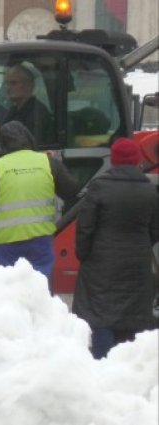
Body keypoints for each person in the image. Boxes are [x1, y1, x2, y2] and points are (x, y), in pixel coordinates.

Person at [72, 138, 159, 359]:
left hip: (101, 263)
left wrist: (83, 254)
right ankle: (127, 367)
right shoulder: (149, 191)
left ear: (114, 160)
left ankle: (102, 365)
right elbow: (155, 229)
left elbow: (85, 228)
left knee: (100, 315)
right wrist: (139, 246)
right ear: (138, 160)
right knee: (132, 317)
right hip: (137, 263)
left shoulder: (100, 187)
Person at [0, 121, 79, 283]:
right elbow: (72, 191)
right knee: (39, 290)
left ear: (2, 144)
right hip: (40, 241)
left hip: (5, 245)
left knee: (6, 292)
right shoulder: (47, 163)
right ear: (30, 139)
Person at [0, 64, 54, 145]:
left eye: (13, 83)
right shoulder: (14, 109)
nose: (8, 88)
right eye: (7, 84)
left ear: (29, 85)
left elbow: (27, 144)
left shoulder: (37, 113)